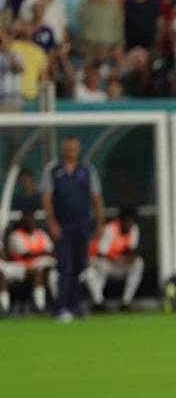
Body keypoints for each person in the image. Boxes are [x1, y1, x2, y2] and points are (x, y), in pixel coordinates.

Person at [40, 135, 103, 321]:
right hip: (62, 225)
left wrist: (99, 222)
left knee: (79, 265)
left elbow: (97, 198)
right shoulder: (53, 170)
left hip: (82, 225)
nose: (71, 151)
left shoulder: (87, 170)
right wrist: (51, 223)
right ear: (63, 149)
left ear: (78, 149)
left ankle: (75, 305)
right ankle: (61, 306)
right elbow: (46, 198)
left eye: (74, 148)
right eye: (68, 148)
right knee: (64, 265)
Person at [82, 205, 143, 310]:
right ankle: (98, 302)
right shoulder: (110, 228)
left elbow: (132, 250)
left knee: (138, 264)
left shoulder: (134, 229)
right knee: (95, 269)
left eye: (132, 220)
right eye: (127, 220)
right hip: (105, 262)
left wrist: (129, 258)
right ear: (121, 220)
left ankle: (126, 302)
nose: (129, 223)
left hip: (120, 263)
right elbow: (101, 253)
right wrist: (116, 260)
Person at [7, 210, 58, 312]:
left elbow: (51, 251)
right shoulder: (16, 235)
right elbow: (26, 255)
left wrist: (42, 253)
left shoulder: (41, 234)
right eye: (28, 220)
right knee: (39, 272)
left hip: (46, 264)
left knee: (56, 273)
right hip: (25, 267)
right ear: (23, 222)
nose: (31, 222)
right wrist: (42, 252)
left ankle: (58, 302)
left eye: (32, 220)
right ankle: (40, 306)